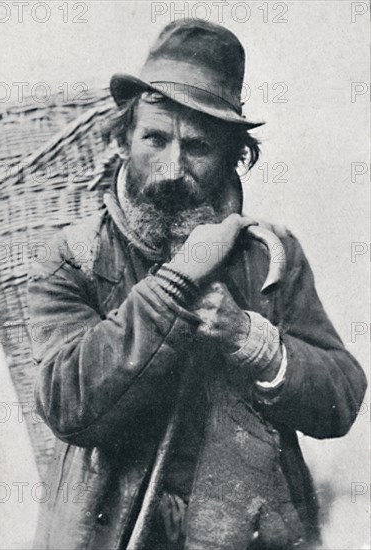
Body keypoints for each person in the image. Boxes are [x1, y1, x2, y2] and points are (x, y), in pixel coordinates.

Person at [28, 19, 367, 550]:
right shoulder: (72, 257)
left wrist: (251, 340)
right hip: (112, 534)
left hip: (254, 534)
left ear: (236, 156)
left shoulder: (270, 255)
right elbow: (67, 404)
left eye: (199, 146)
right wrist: (179, 280)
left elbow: (341, 398)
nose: (171, 168)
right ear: (122, 140)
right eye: (155, 139)